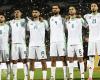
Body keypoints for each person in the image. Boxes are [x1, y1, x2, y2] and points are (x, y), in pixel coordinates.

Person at [65, 6, 88, 80]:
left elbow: (87, 26)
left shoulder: (80, 19)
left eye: (72, 9)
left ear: (75, 10)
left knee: (80, 59)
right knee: (70, 60)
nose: (71, 10)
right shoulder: (67, 20)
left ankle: (82, 77)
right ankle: (71, 77)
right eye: (69, 9)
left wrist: (86, 36)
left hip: (78, 43)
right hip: (70, 43)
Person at [27, 8, 48, 80]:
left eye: (36, 12)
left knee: (43, 61)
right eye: (33, 12)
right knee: (31, 62)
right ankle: (31, 78)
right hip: (31, 45)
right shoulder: (29, 22)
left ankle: (44, 78)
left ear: (39, 13)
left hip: (41, 45)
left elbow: (48, 29)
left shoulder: (44, 22)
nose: (34, 13)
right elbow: (27, 31)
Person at [9, 9, 28, 80]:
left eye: (18, 12)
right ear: (14, 14)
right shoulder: (10, 22)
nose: (16, 13)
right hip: (14, 44)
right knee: (14, 61)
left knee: (24, 60)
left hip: (22, 43)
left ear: (21, 13)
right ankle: (15, 77)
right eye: (15, 12)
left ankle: (26, 77)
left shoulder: (24, 21)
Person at [49, 4, 67, 80]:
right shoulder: (50, 19)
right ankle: (52, 77)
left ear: (59, 9)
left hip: (61, 41)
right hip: (53, 41)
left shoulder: (63, 19)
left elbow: (67, 28)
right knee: (53, 59)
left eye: (56, 8)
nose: (54, 9)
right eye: (53, 8)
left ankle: (65, 76)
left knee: (63, 59)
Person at [84, 3, 100, 80]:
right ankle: (90, 77)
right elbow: (86, 26)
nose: (93, 7)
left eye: (94, 6)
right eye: (92, 6)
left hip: (99, 39)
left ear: (97, 7)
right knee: (91, 58)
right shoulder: (87, 16)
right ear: (90, 8)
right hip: (91, 39)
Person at [0, 13, 11, 80]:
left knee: (8, 62)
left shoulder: (8, 26)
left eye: (1, 17)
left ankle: (8, 77)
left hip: (6, 47)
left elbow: (11, 35)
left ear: (4, 18)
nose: (0, 18)